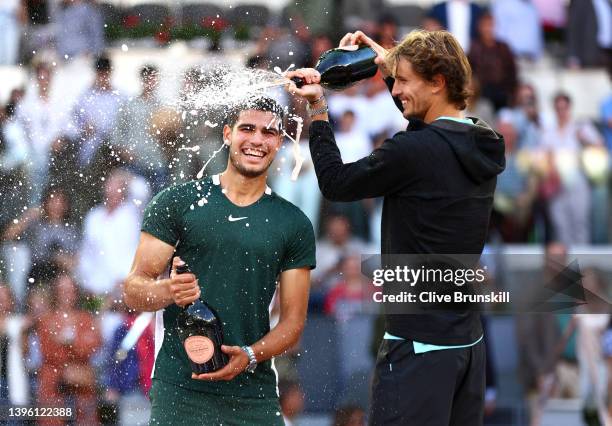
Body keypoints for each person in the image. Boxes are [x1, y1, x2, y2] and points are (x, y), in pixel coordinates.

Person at [286, 29, 505, 425]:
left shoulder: (412, 152)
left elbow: (336, 183)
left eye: (404, 81)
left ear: (437, 81)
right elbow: (427, 128)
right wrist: (393, 66)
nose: (396, 89)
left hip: (417, 348)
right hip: (466, 345)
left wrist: (318, 108)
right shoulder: (484, 138)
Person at [123, 96, 316, 425]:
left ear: (280, 142)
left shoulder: (293, 223)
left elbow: (293, 325)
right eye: (247, 129)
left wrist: (251, 356)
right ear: (227, 134)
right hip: (180, 391)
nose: (257, 140)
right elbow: (133, 290)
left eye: (268, 133)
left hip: (254, 394)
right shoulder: (178, 202)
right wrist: (169, 290)